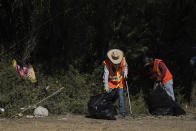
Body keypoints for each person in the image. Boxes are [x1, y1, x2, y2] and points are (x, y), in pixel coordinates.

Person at [103, 49, 128, 117]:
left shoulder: (123, 60)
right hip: (111, 83)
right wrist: (106, 86)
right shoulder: (107, 63)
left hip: (120, 82)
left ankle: (122, 113)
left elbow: (125, 67)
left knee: (121, 97)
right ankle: (107, 111)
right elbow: (105, 75)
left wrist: (125, 74)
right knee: (108, 97)